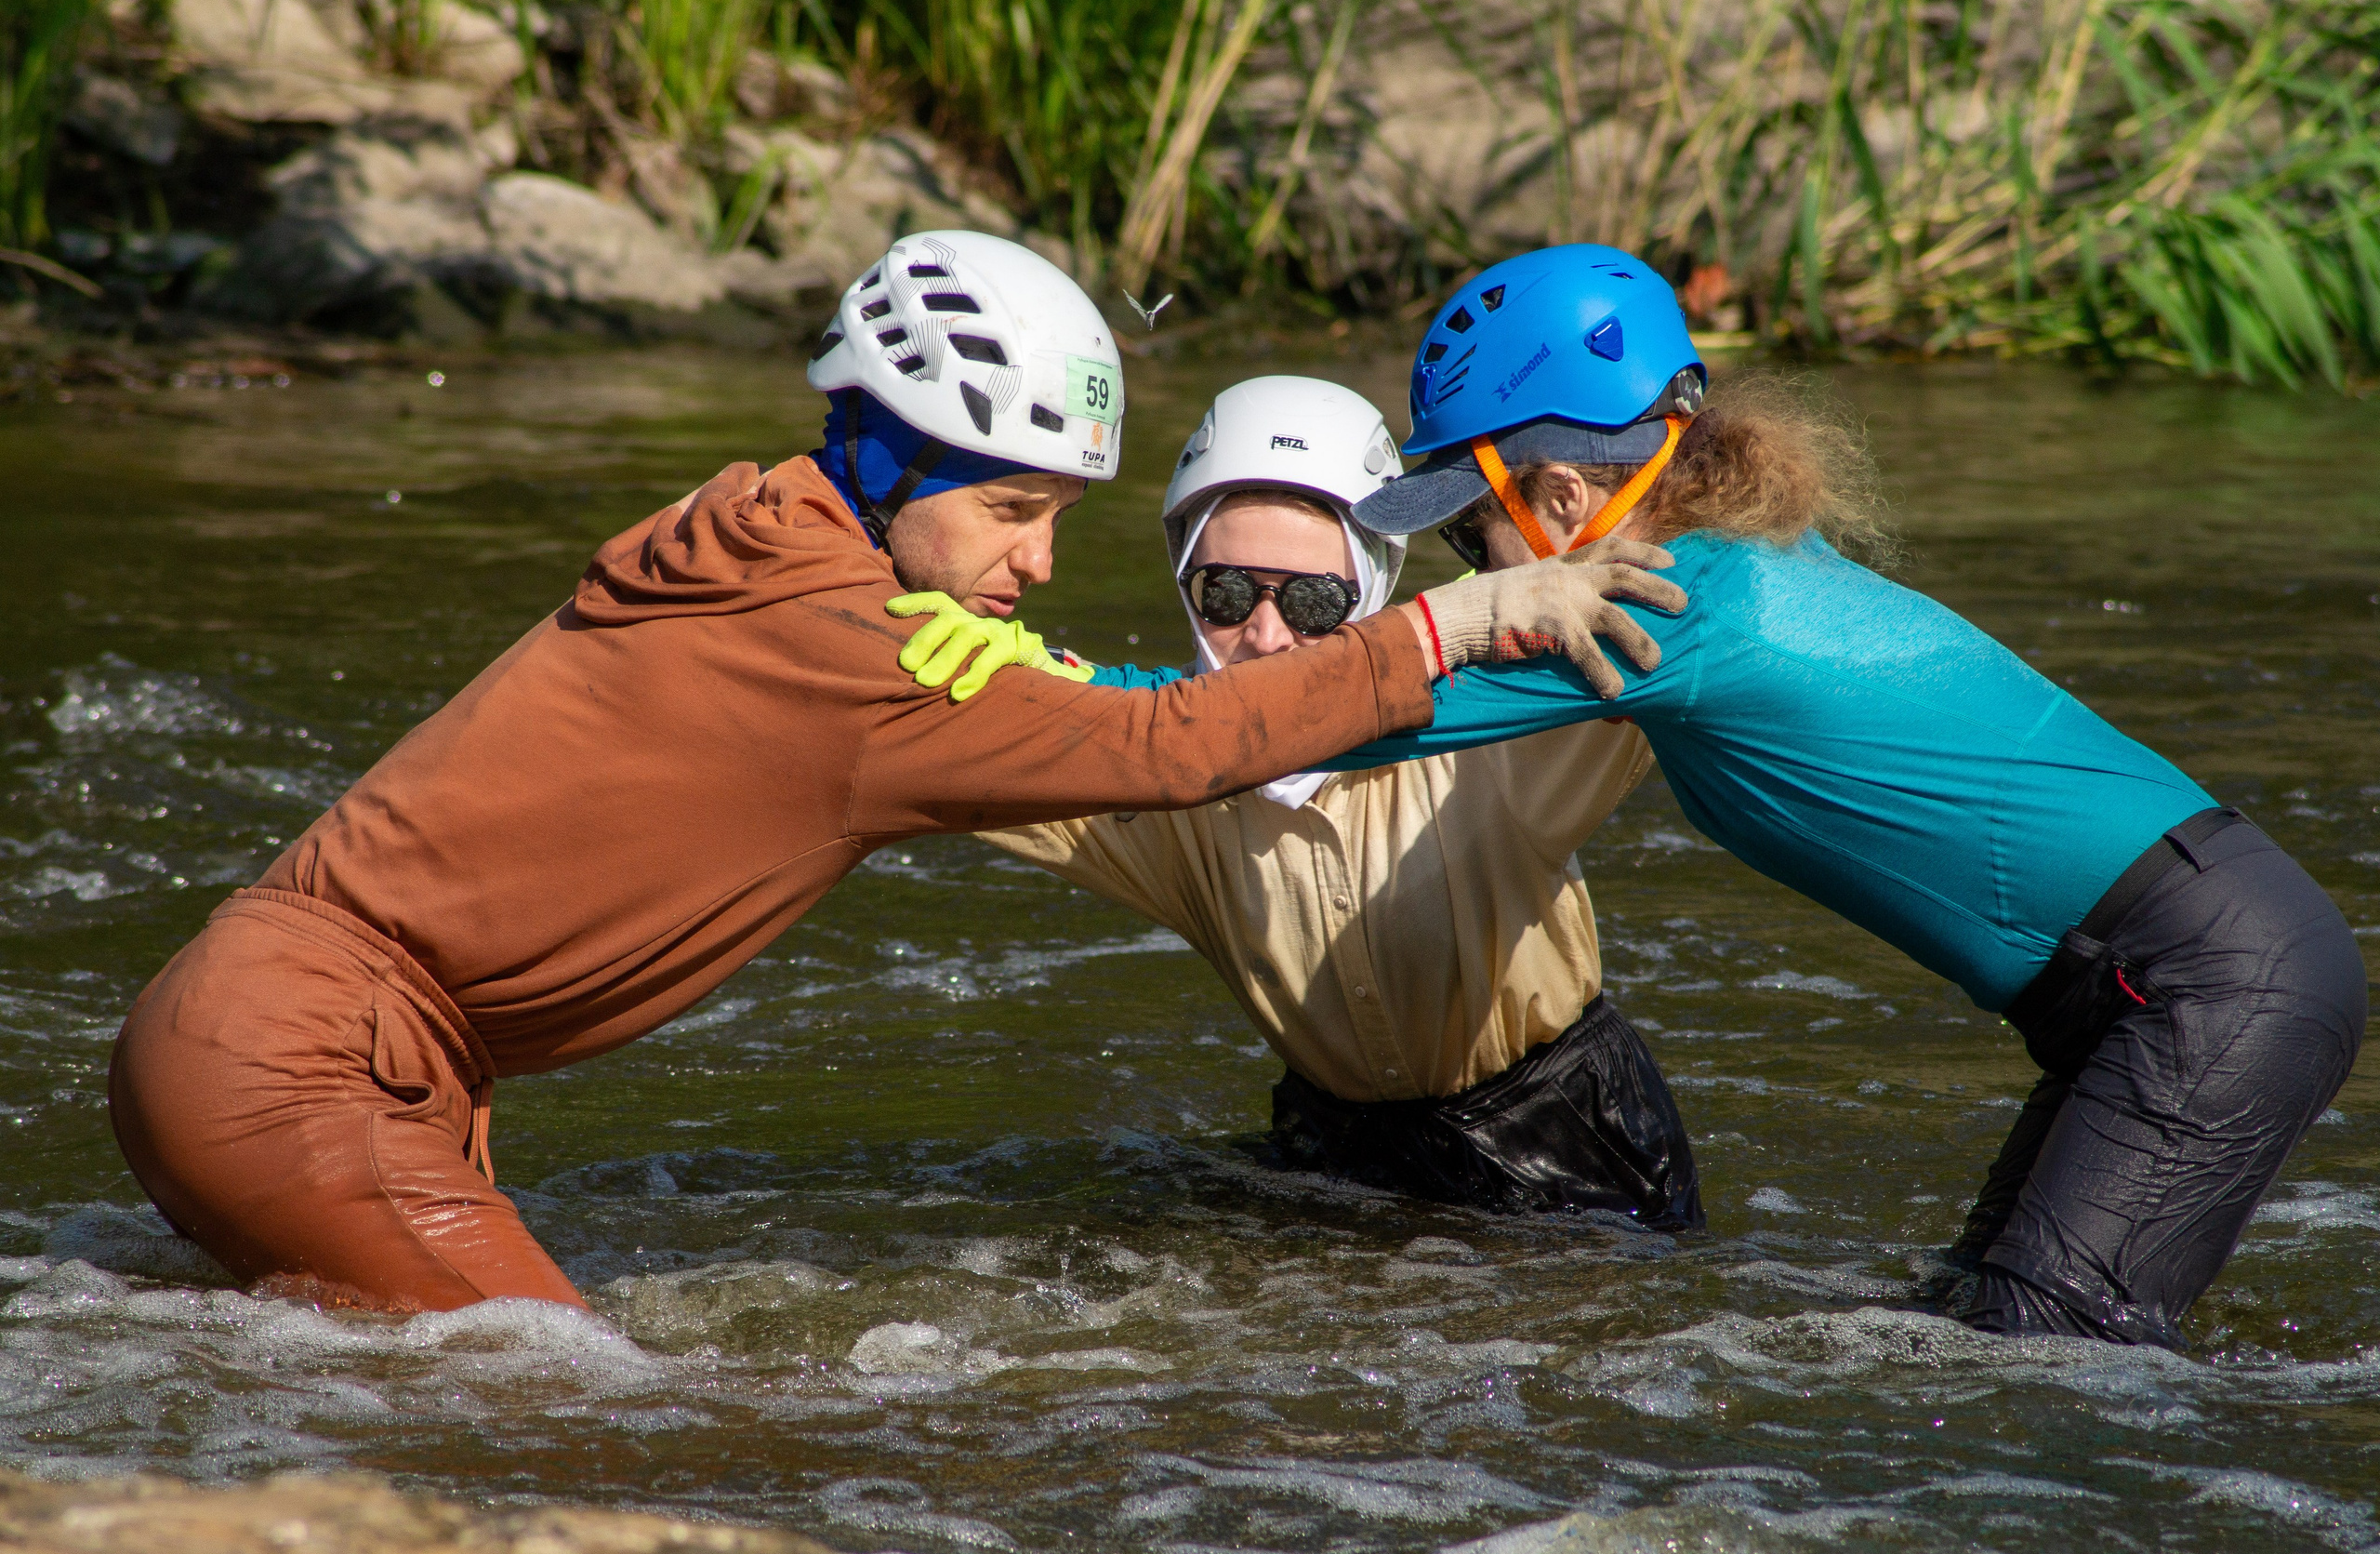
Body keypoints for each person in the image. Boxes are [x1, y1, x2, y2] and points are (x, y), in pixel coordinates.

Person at [104, 232, 1679, 1313]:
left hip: (321, 1051)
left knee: (402, 1410)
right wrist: (1461, 616)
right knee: (574, 1409)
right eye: (1011, 511)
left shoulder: (763, 534)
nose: (1039, 563)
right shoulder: (860, 654)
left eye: (1059, 518)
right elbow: (1167, 743)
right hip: (307, 1060)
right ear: (895, 462)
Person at [1322, 245, 2363, 1348]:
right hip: (2187, 971)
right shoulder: (1735, 550)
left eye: (1466, 531)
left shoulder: (1656, 603)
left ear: (1563, 497)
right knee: (1971, 1337)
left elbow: (1331, 724)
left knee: (2042, 1357)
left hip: (2207, 979)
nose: (1471, 572)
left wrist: (1171, 680)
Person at [900, 377, 1700, 1227]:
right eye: (1226, 593)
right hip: (1336, 1148)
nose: (1267, 635)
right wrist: (935, 667)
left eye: (1315, 602)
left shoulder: (1500, 715)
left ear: (1374, 591)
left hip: (1566, 1136)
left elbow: (1680, 618)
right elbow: (920, 737)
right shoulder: (1146, 765)